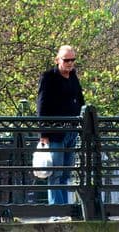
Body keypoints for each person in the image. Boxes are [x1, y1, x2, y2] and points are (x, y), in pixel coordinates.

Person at [37, 44, 85, 207]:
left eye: (72, 60)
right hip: (55, 132)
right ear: (58, 60)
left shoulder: (73, 76)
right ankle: (56, 211)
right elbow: (42, 105)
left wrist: (81, 124)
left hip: (71, 131)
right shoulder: (48, 77)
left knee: (66, 173)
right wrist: (43, 133)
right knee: (56, 173)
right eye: (66, 60)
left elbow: (80, 100)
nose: (70, 63)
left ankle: (64, 209)